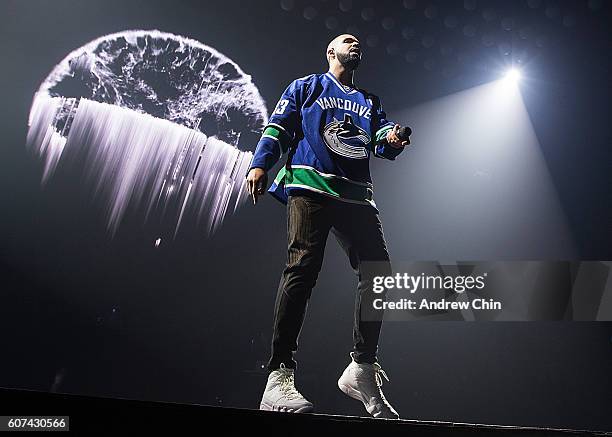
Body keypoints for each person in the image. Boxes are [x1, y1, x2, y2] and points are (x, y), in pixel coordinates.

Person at [245, 34, 410, 419]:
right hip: (310, 185)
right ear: (330, 52)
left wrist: (395, 137)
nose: (356, 44)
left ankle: (362, 368)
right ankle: (278, 374)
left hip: (355, 196)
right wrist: (260, 162)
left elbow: (380, 141)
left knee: (379, 272)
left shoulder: (369, 100)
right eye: (347, 40)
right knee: (302, 269)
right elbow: (279, 126)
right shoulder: (306, 86)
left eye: (359, 43)